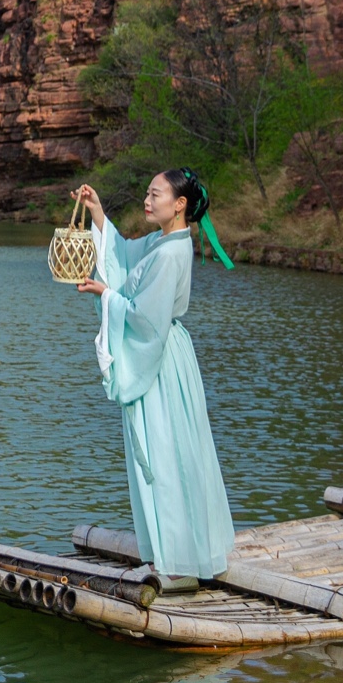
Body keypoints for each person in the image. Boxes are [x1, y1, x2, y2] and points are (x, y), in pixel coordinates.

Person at [67, 169, 236, 580]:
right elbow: (123, 255)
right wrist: (97, 212)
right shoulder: (164, 241)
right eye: (147, 192)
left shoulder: (171, 253)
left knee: (163, 452)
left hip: (159, 358)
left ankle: (176, 559)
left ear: (179, 204)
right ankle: (169, 553)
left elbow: (144, 318)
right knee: (166, 450)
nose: (147, 199)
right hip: (164, 352)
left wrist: (104, 294)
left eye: (155, 194)